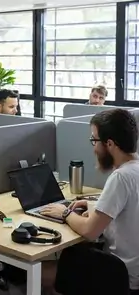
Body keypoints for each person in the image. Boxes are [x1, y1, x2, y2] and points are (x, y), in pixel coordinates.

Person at [40, 108, 139, 294]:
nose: (93, 148)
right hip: (134, 270)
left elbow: (90, 231)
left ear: (109, 144)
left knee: (41, 270)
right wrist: (92, 205)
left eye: (94, 140)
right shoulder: (135, 169)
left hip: (121, 275)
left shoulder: (121, 177)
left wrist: (65, 213)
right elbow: (127, 208)